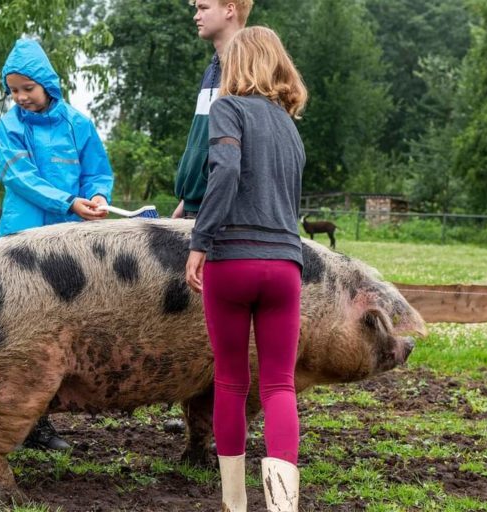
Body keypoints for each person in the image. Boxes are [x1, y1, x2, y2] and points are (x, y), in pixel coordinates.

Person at [185, 26, 308, 512]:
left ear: (239, 64)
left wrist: (200, 240)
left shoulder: (227, 109)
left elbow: (227, 172)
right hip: (285, 265)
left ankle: (234, 505)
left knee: (232, 382)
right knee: (279, 385)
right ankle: (282, 507)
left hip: (232, 262)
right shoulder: (288, 125)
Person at [0, 38, 114, 450]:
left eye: (28, 88)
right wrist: (66, 201)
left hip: (70, 243)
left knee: (63, 329)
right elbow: (18, 176)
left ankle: (42, 418)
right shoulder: (9, 127)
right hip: (23, 241)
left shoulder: (78, 125)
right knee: (23, 331)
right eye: (14, 90)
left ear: (47, 84)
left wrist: (97, 197)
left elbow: (97, 172)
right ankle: (27, 421)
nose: (21, 97)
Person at [172, 0, 252, 220]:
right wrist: (188, 198)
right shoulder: (211, 71)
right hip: (194, 207)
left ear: (230, 9)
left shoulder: (251, 73)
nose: (196, 17)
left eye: (203, 8)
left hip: (224, 214)